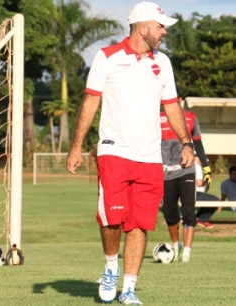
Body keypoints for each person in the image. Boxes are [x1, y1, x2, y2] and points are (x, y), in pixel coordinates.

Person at [66, 2, 194, 304]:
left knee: (140, 222)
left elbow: (172, 105)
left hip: (150, 157)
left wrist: (186, 143)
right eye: (161, 26)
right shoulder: (106, 57)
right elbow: (90, 104)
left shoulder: (162, 63)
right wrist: (76, 147)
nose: (164, 32)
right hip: (114, 151)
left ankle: (129, 288)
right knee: (112, 219)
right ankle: (111, 266)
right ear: (143, 27)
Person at [160, 109, 211, 262]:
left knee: (189, 211)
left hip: (186, 171)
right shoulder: (157, 118)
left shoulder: (191, 118)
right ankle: (176, 246)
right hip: (165, 173)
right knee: (169, 212)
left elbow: (198, 143)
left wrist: (206, 167)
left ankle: (187, 251)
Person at [194, 157, 220, 228]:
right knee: (216, 201)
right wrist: (207, 180)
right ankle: (202, 220)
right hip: (195, 193)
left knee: (209, 200)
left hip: (187, 193)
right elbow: (199, 183)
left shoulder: (189, 164)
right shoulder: (197, 166)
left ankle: (197, 218)